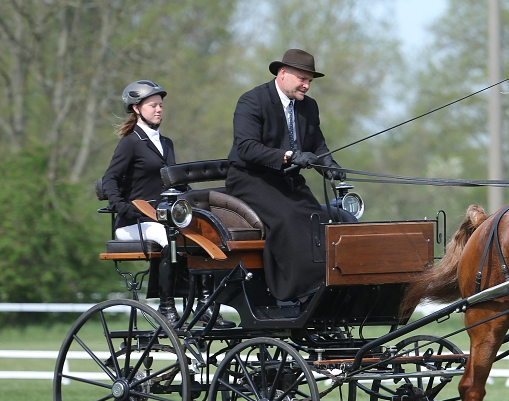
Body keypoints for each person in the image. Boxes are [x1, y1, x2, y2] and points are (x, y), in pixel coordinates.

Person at [102, 80, 234, 328]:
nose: (159, 109)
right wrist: (122, 206)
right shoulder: (130, 143)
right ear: (136, 109)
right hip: (135, 221)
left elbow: (174, 183)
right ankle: (166, 307)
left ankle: (205, 307)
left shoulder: (167, 143)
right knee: (170, 237)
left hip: (166, 218)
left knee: (204, 233)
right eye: (152, 105)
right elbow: (110, 179)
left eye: (160, 105)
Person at [225, 49, 348, 304]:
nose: (307, 85)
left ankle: (325, 288)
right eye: (303, 79)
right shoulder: (252, 101)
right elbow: (246, 147)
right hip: (250, 179)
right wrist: (290, 156)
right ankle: (292, 293)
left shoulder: (308, 106)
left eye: (310, 81)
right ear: (283, 73)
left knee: (322, 219)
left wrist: (330, 165)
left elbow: (318, 145)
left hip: (286, 181)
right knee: (289, 219)